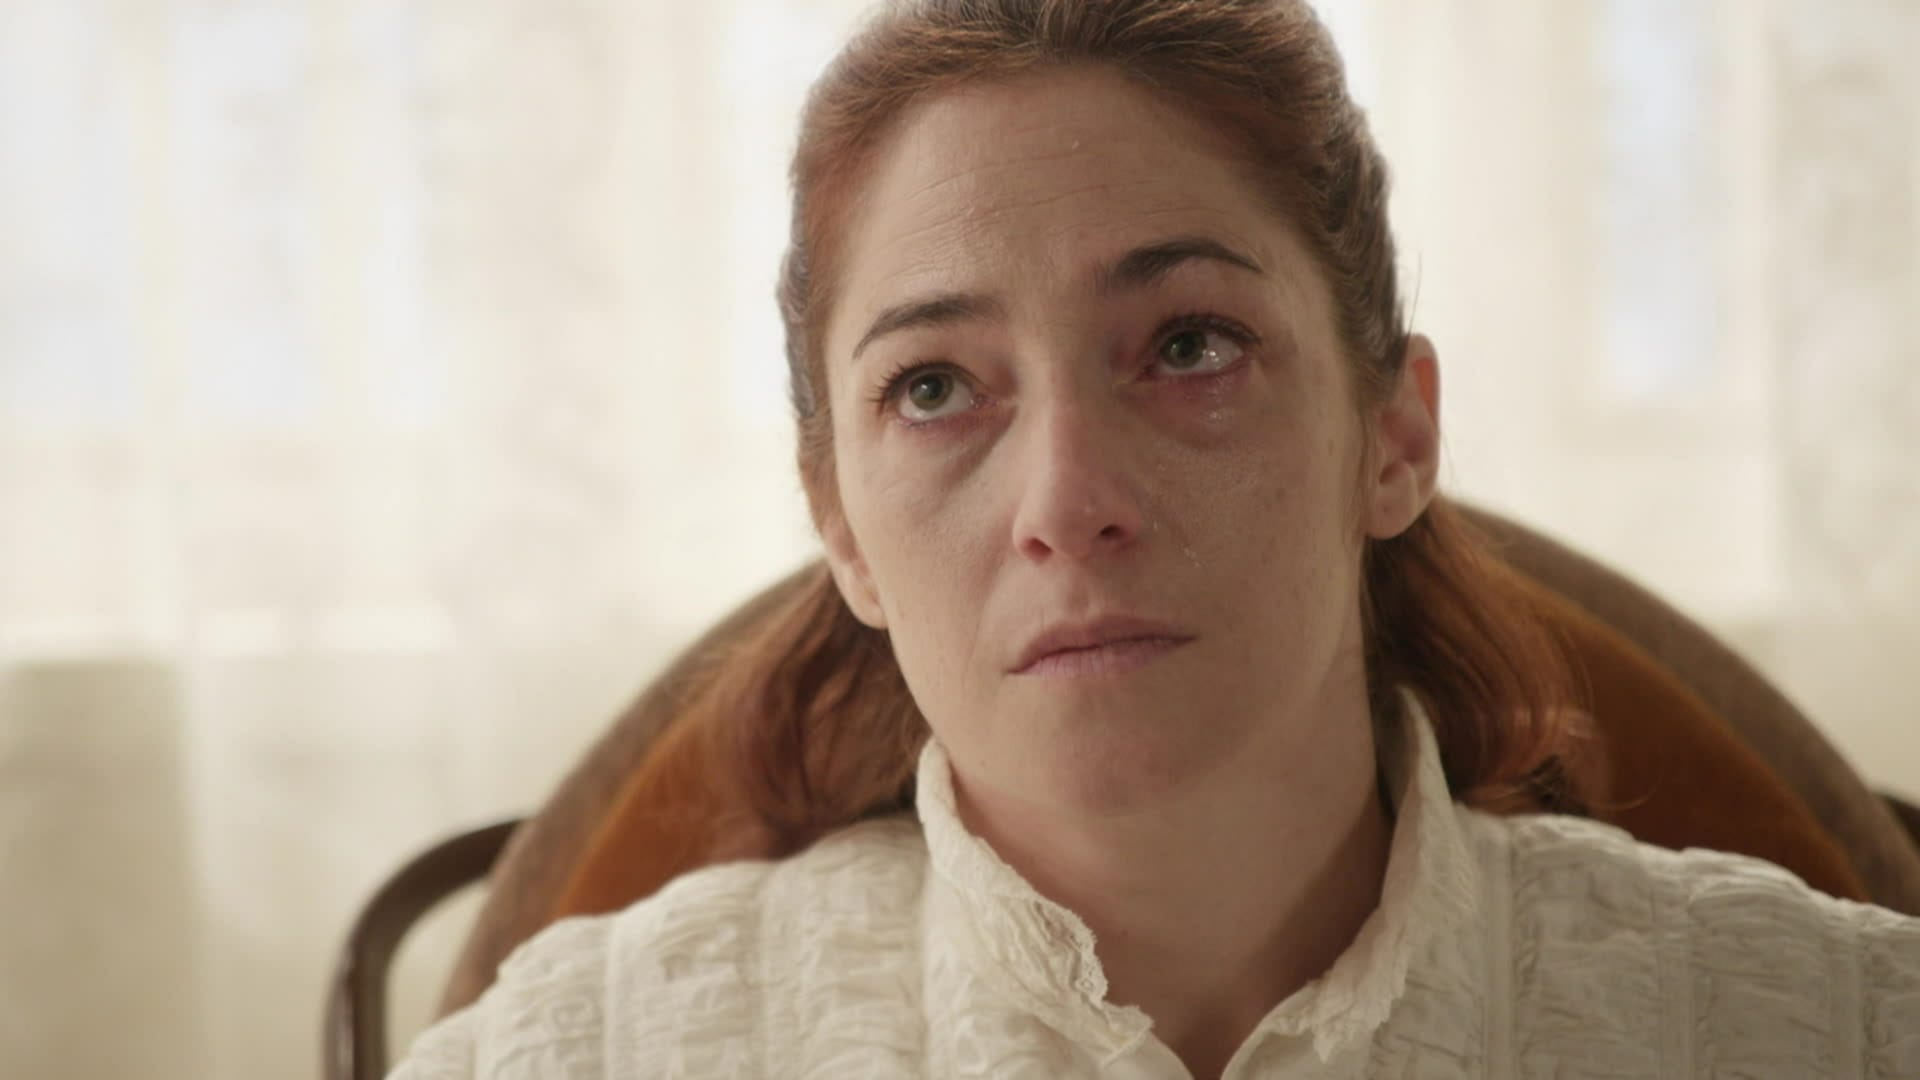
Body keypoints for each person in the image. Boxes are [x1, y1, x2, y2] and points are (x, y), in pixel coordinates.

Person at [391, 1, 1920, 1076]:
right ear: (839, 521)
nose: (1067, 503)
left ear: (1395, 436)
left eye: (1189, 345)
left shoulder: (1841, 1030)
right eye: (935, 387)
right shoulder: (568, 1056)